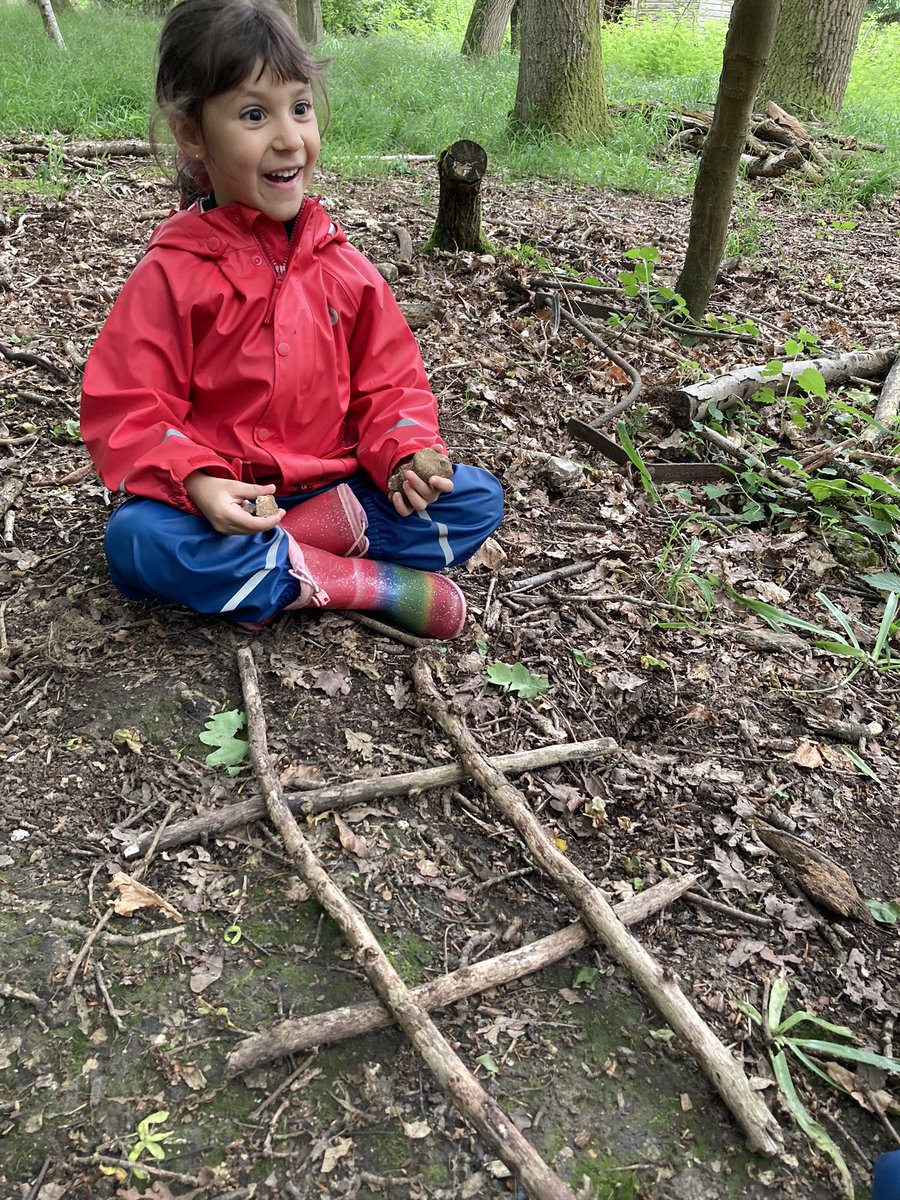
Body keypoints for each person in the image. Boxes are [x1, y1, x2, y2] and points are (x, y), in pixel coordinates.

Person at [80, 0, 503, 639]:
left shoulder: (346, 271)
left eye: (300, 108)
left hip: (338, 490)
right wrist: (198, 482)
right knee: (138, 538)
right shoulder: (171, 275)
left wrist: (406, 452)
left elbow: (392, 385)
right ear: (192, 133)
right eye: (254, 114)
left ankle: (280, 563)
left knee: (475, 499)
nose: (288, 137)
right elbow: (129, 405)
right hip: (222, 507)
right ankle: (363, 582)